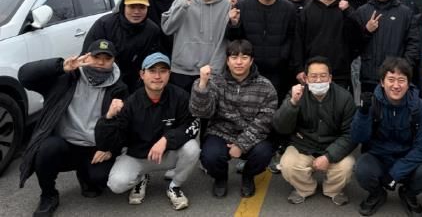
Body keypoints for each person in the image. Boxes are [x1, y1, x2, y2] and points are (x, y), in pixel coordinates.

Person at [18, 40, 128, 217]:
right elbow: (24, 76)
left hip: (94, 147)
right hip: (65, 143)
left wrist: (109, 149)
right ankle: (48, 195)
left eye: (107, 58)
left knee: (102, 178)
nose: (101, 62)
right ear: (87, 57)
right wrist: (60, 67)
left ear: (113, 61)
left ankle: (85, 175)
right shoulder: (65, 78)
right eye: (96, 57)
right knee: (45, 150)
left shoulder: (119, 88)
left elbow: (122, 126)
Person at [96, 53, 200, 211]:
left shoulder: (180, 96)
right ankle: (141, 179)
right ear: (142, 74)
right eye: (152, 71)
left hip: (168, 153)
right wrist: (109, 118)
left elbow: (192, 125)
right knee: (116, 184)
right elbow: (111, 141)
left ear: (169, 74)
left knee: (192, 148)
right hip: (138, 156)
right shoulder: (131, 103)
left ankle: (174, 186)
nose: (157, 76)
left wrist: (166, 140)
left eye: (163, 71)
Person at [189, 39, 277, 198]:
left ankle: (248, 176)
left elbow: (264, 122)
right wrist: (202, 85)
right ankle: (220, 178)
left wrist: (241, 145)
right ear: (227, 61)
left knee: (264, 153)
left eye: (244, 57)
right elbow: (201, 113)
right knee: (210, 156)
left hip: (252, 135)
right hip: (220, 132)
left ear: (251, 60)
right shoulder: (215, 82)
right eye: (234, 57)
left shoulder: (266, 86)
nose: (239, 62)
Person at [351, 57, 422, 216]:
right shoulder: (372, 103)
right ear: (382, 82)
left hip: (409, 158)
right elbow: (358, 138)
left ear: (408, 83)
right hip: (379, 157)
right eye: (391, 79)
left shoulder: (420, 107)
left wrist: (395, 173)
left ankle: (408, 194)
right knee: (362, 168)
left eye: (401, 80)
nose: (396, 85)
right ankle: (377, 193)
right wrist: (362, 113)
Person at [273, 57, 357, 206]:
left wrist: (329, 156)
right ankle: (304, 189)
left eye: (323, 76)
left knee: (347, 166)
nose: (318, 80)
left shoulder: (345, 98)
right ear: (306, 78)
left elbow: (350, 134)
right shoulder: (296, 94)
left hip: (332, 145)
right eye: (313, 76)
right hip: (303, 145)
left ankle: (333, 190)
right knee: (288, 164)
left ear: (330, 78)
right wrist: (292, 103)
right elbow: (280, 127)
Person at [227, 0, 297, 103]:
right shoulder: (243, 6)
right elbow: (235, 39)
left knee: (276, 106)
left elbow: (293, 38)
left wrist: (284, 56)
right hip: (250, 69)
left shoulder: (288, 8)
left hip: (279, 70)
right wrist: (234, 24)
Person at [161, 0, 231, 92]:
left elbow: (224, 40)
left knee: (206, 105)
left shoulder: (226, 5)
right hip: (181, 70)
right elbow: (167, 28)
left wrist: (215, 68)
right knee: (181, 104)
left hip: (209, 71)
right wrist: (182, 8)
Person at [351, 0, 419, 93]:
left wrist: (404, 67)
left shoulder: (405, 13)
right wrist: (367, 31)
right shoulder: (362, 12)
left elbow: (413, 44)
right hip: (369, 77)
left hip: (396, 77)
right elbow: (353, 46)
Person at [83, 0, 162, 92]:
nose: (136, 12)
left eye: (142, 7)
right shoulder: (105, 24)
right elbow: (87, 55)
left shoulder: (152, 30)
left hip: (133, 81)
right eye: (132, 7)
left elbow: (151, 60)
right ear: (123, 6)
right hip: (102, 77)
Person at [292, 0, 357, 89]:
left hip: (340, 74)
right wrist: (299, 69)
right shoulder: (307, 10)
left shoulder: (346, 9)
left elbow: (356, 38)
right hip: (313, 73)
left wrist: (348, 12)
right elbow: (298, 41)